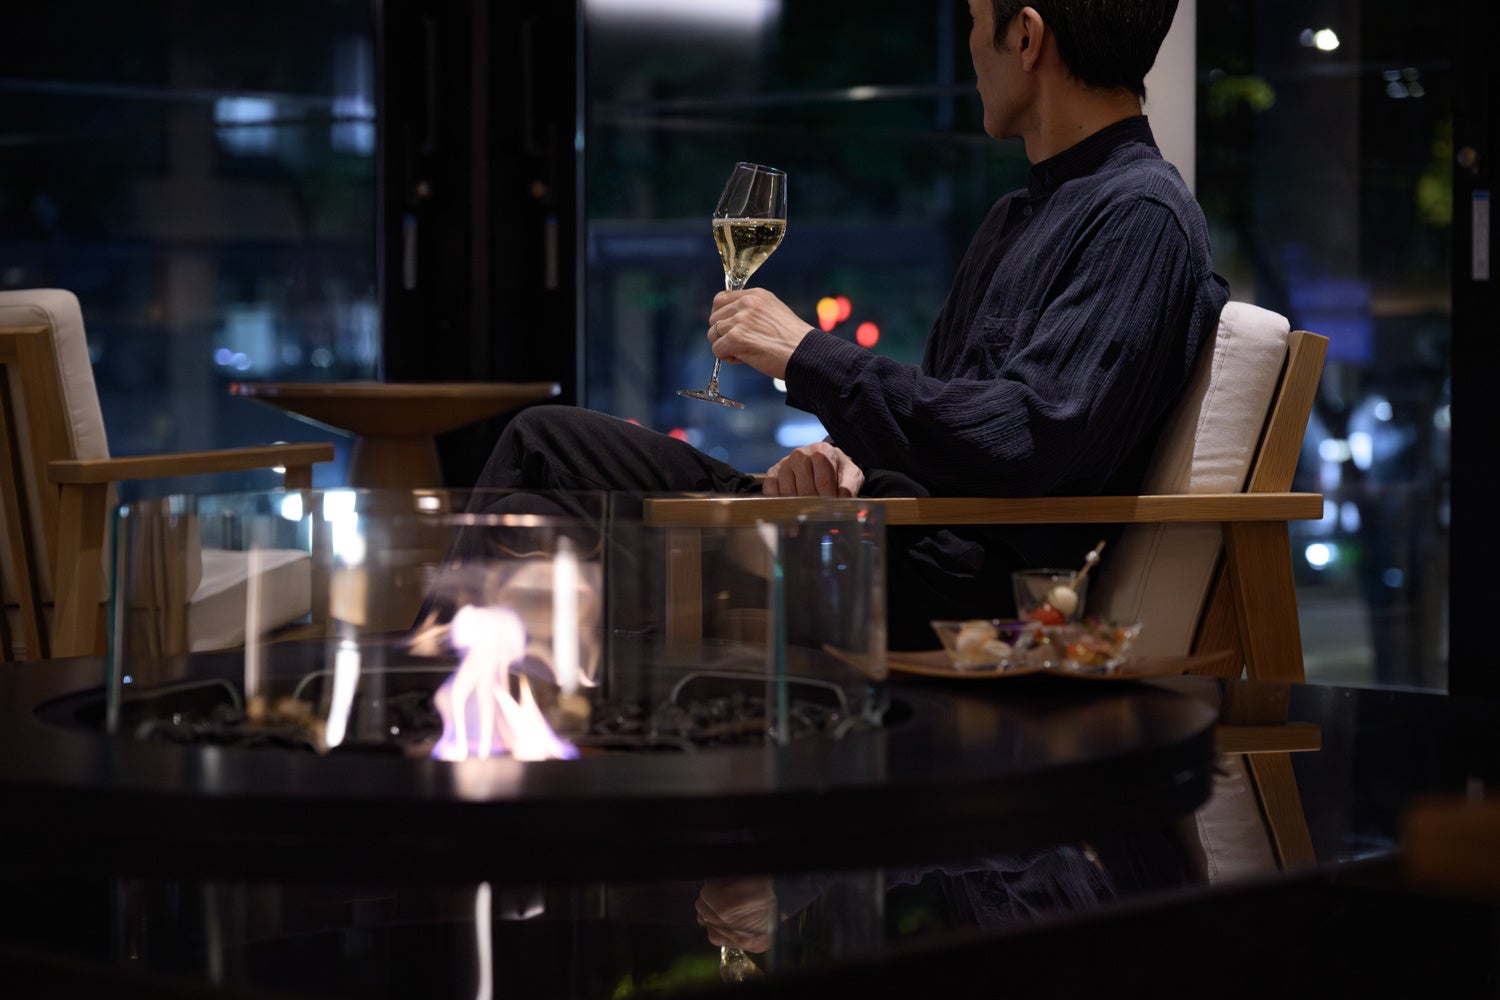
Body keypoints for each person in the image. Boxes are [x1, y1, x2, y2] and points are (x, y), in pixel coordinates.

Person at [473, 0, 1228, 650]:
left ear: (1026, 38)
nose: (970, 47)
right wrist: (843, 459)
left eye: (974, 22)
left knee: (539, 535)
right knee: (543, 443)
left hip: (941, 577)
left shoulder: (1139, 216)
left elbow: (1029, 437)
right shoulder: (1018, 216)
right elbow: (943, 411)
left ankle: (467, 723)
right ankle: (457, 715)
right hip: (877, 519)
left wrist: (805, 354)